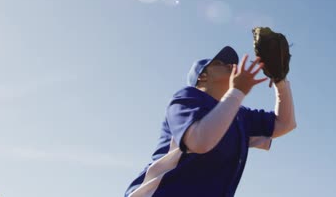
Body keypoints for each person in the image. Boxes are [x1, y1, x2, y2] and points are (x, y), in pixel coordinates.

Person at [124, 46, 297, 197]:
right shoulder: (188, 97)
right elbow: (199, 141)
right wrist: (237, 91)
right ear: (202, 76)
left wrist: (279, 79)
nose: (231, 65)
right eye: (219, 63)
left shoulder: (238, 114)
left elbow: (284, 124)